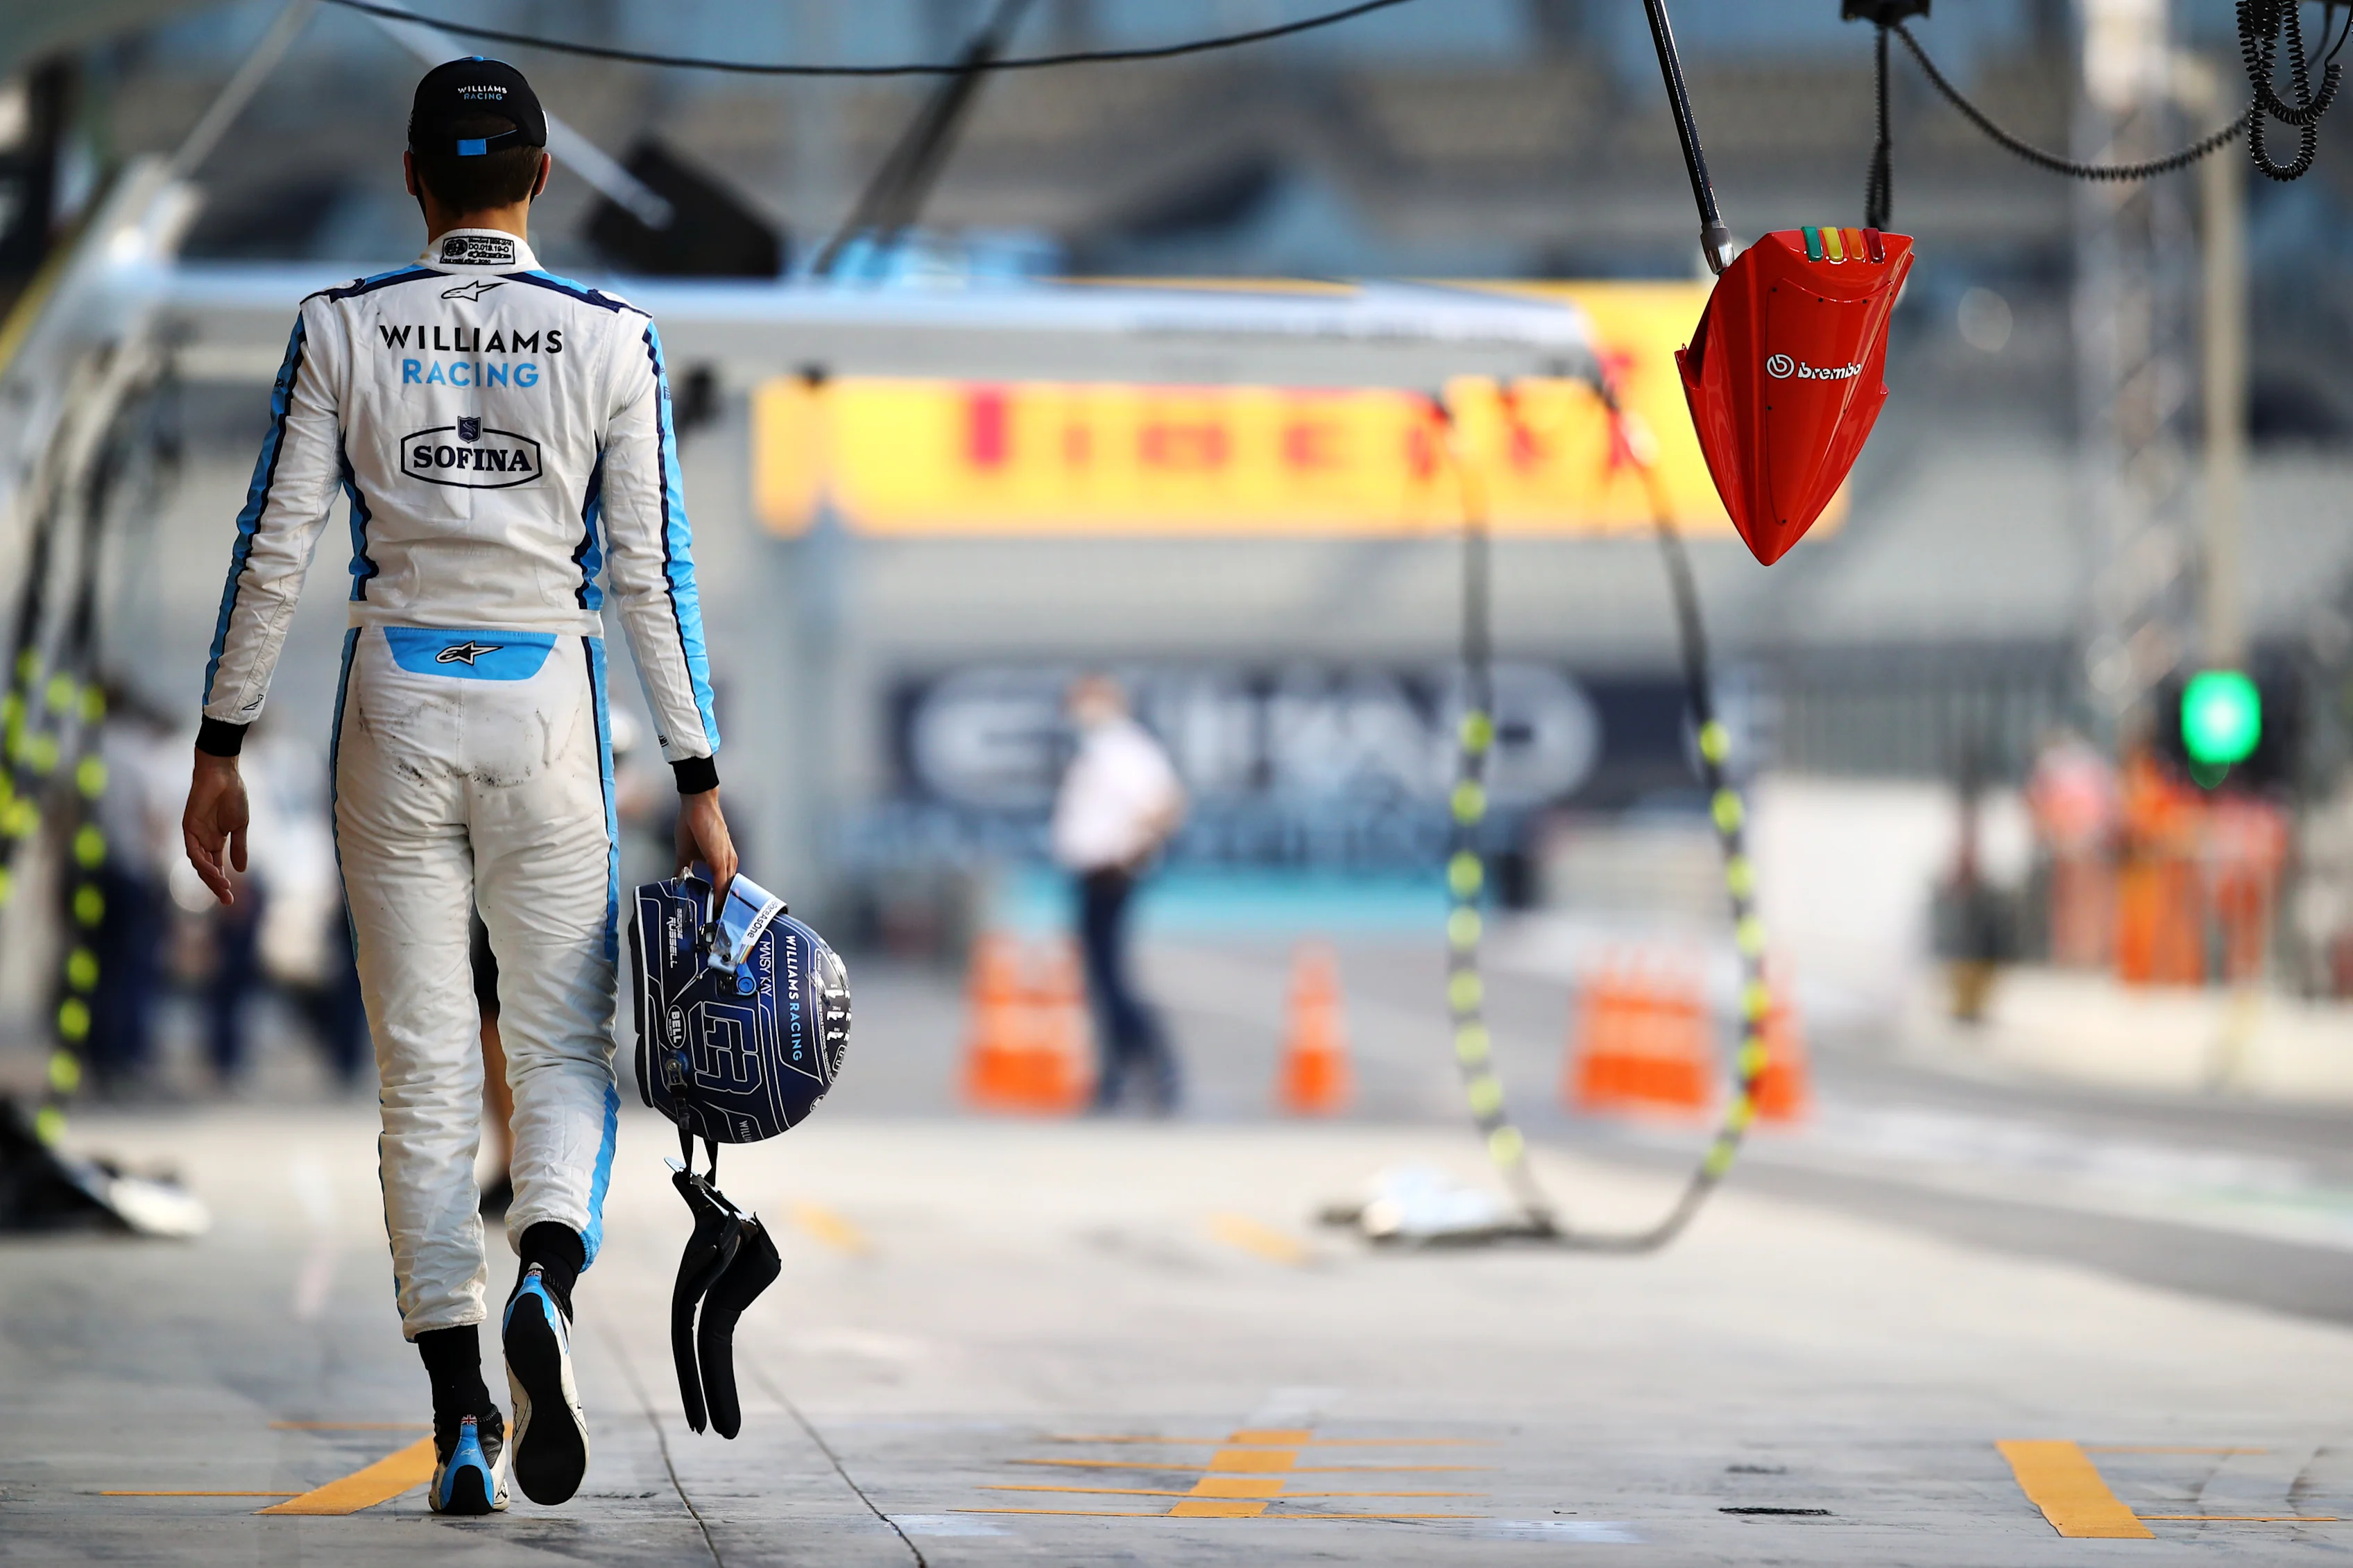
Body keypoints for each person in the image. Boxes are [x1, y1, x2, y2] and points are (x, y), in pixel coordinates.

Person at [178, 58, 736, 1517]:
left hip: (392, 698)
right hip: (547, 702)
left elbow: (274, 545)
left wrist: (220, 743)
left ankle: (462, 1422)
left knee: (424, 1076)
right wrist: (698, 774)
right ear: (542, 180)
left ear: (412, 182)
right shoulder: (614, 336)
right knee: (558, 1049)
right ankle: (544, 1270)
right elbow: (649, 578)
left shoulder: (338, 326)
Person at [1050, 675, 1186, 1113]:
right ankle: (1116, 1075)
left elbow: (1165, 806)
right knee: (1100, 981)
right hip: (1091, 874)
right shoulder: (1097, 752)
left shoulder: (1124, 750)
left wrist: (1131, 855)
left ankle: (1156, 1066)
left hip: (1111, 875)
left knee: (1112, 981)